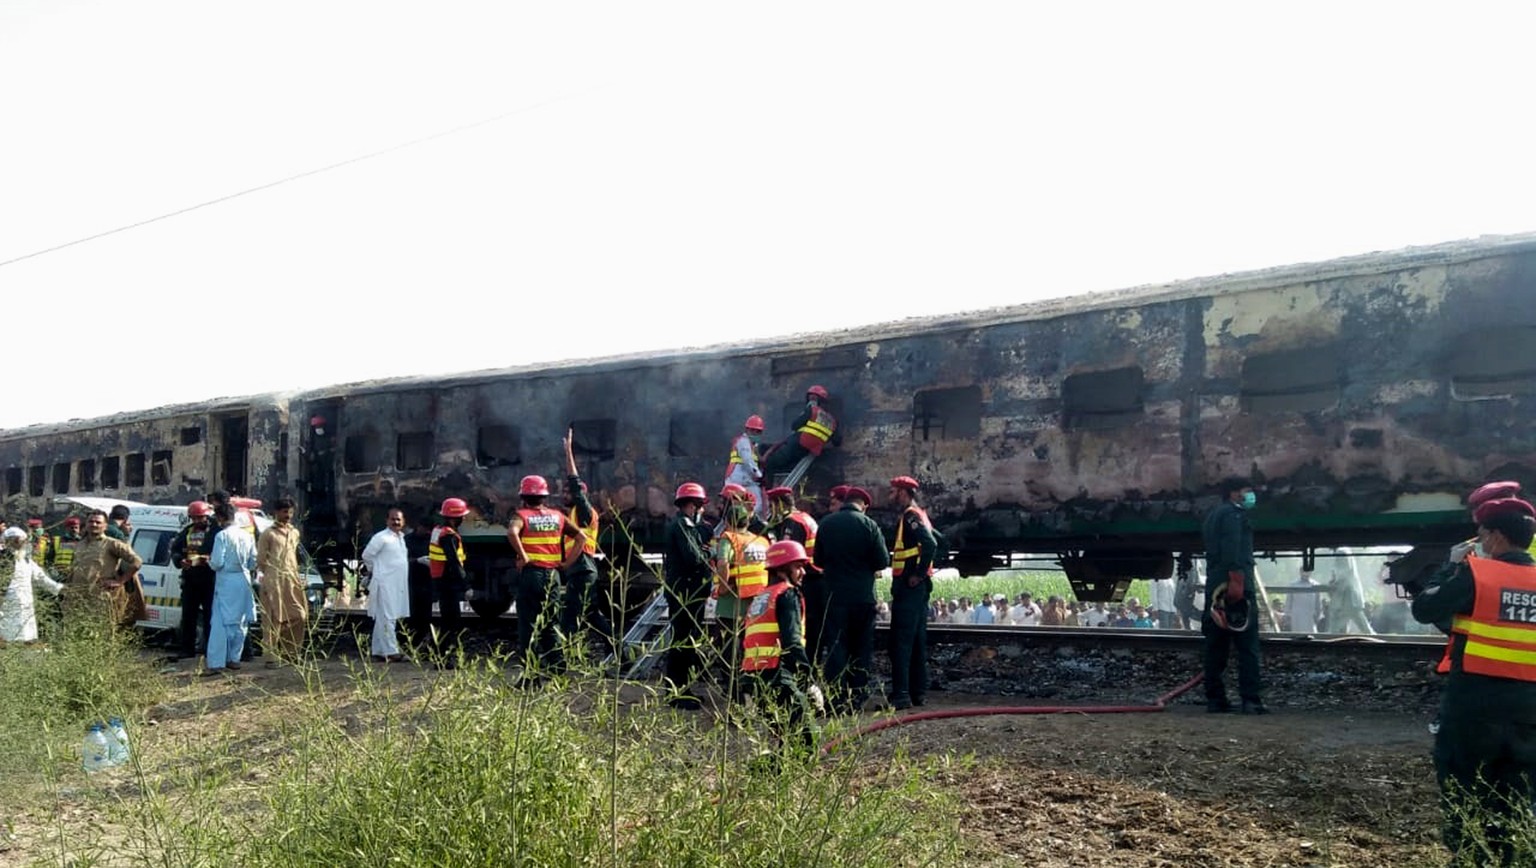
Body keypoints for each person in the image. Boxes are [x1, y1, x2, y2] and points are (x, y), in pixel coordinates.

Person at [1410, 496, 1536, 864]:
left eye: (1481, 533)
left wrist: (1448, 567)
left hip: (1473, 710)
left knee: (1463, 791)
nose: (1479, 540)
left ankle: (1469, 859)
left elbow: (1425, 608)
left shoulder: (1479, 574)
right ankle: (1510, 858)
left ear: (1495, 536)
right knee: (1517, 796)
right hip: (1530, 714)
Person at [812, 486, 889, 713]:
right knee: (861, 648)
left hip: (834, 597)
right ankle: (857, 698)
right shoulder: (869, 525)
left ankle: (835, 700)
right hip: (863, 598)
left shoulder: (826, 524)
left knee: (836, 647)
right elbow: (882, 561)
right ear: (863, 505)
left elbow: (818, 559)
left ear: (845, 501)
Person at [742, 540, 819, 755]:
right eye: (798, 567)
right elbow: (792, 641)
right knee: (806, 740)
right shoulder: (787, 595)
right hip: (777, 675)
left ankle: (768, 781)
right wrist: (809, 680)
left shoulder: (761, 598)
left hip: (754, 676)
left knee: (781, 737)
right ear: (783, 569)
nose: (802, 572)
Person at [507, 475, 584, 679]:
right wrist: (566, 564)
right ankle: (558, 671)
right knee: (551, 624)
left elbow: (512, 533)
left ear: (523, 496)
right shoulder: (558, 516)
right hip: (552, 576)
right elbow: (581, 538)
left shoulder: (521, 516)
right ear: (545, 496)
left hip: (531, 575)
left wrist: (523, 556)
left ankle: (530, 677)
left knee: (528, 626)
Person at [1201, 477, 1266, 714]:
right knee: (1247, 645)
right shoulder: (1234, 515)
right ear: (1234, 494)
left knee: (1215, 644)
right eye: (1247, 491)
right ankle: (1251, 701)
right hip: (1235, 587)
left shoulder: (1212, 516)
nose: (1251, 496)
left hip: (1215, 586)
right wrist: (1237, 582)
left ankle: (1215, 700)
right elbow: (1233, 549)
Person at [560, 429, 614, 657]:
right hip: (584, 568)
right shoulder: (576, 512)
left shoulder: (582, 510)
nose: (564, 494)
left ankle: (561, 659)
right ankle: (617, 648)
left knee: (570, 615)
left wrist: (568, 452)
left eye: (567, 492)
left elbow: (575, 483)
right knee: (591, 614)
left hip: (581, 567)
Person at [887, 475, 937, 710]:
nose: (890, 496)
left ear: (903, 493)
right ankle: (917, 693)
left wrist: (918, 573)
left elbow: (931, 545)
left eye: (893, 491)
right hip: (916, 589)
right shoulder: (920, 515)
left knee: (901, 641)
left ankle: (901, 695)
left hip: (909, 587)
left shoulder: (910, 516)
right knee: (917, 641)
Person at [662, 481, 714, 709]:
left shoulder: (690, 527)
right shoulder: (682, 526)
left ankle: (683, 688)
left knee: (686, 641)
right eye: (700, 506)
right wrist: (711, 551)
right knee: (681, 642)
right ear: (692, 506)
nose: (702, 510)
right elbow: (694, 557)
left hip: (690, 592)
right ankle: (677, 693)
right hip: (684, 593)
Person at [712, 497, 771, 692]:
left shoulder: (729, 538)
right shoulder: (761, 541)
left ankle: (733, 691)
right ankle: (750, 688)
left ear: (729, 522)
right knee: (750, 647)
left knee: (729, 650)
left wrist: (722, 587)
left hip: (731, 604)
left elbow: (722, 563)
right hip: (757, 605)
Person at [765, 486, 823, 660]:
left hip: (805, 579)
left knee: (801, 628)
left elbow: (787, 556)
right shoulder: (805, 518)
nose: (770, 511)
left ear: (779, 505)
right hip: (816, 578)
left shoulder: (792, 522)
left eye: (771, 506)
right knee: (814, 631)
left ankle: (802, 671)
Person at [66, 510, 143, 629]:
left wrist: (120, 581)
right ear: (86, 524)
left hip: (100, 600)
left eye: (98, 522)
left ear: (105, 526)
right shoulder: (80, 544)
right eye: (91, 521)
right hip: (77, 599)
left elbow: (137, 561)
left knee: (102, 635)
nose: (94, 524)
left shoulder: (112, 544)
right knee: (75, 634)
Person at [205, 503, 257, 676]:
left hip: (226, 580)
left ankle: (216, 662)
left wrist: (208, 561)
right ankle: (234, 659)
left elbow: (217, 562)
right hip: (243, 579)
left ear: (219, 518)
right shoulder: (247, 535)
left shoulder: (222, 536)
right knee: (240, 621)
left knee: (220, 622)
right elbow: (253, 562)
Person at [256, 497, 307, 667]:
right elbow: (261, 561)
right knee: (273, 618)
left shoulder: (294, 532)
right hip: (273, 580)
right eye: (284, 512)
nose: (288, 515)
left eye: (290, 512)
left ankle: (291, 654)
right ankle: (270, 657)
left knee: (299, 615)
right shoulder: (268, 534)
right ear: (276, 512)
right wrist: (271, 577)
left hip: (292, 579)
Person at [168, 500, 217, 660]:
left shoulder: (215, 531)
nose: (197, 521)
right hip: (190, 580)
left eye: (200, 518)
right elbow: (175, 551)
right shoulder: (187, 532)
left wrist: (206, 559)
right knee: (188, 616)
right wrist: (180, 560)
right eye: (194, 518)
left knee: (210, 616)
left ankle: (211, 650)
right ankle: (187, 649)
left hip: (209, 580)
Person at [361, 508, 409, 662]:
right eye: (393, 519)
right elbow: (367, 555)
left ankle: (378, 651)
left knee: (384, 616)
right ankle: (391, 651)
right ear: (387, 520)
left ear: (403, 522)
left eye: (398, 519)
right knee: (388, 617)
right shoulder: (381, 537)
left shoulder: (401, 537)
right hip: (384, 583)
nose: (396, 522)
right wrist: (375, 570)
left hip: (396, 583)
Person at [1, 526, 64, 643]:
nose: (24, 543)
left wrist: (59, 588)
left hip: (26, 604)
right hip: (6, 605)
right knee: (6, 637)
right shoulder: (3, 559)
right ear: (11, 541)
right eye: (20, 540)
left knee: (26, 636)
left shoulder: (26, 560)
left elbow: (41, 578)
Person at [762, 385, 839, 479]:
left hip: (796, 444)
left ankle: (764, 488)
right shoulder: (832, 421)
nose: (811, 400)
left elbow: (795, 425)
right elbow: (837, 441)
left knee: (771, 463)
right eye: (810, 398)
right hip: (809, 451)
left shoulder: (812, 410)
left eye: (813, 398)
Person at [426, 498, 471, 660]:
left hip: (440, 578)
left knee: (447, 620)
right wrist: (466, 586)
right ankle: (446, 657)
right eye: (461, 516)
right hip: (448, 580)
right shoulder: (448, 535)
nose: (463, 518)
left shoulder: (438, 530)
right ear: (453, 517)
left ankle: (441, 655)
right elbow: (454, 562)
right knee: (451, 621)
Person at [722, 415, 766, 516]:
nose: (755, 433)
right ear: (747, 430)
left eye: (758, 431)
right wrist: (759, 476)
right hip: (738, 479)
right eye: (753, 430)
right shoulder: (743, 441)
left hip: (744, 480)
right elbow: (748, 461)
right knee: (753, 504)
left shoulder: (752, 445)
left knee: (754, 505)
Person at [404, 514, 437, 647]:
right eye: (425, 528)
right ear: (419, 527)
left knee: (425, 613)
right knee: (411, 613)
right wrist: (417, 561)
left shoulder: (431, 540)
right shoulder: (407, 540)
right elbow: (400, 560)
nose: (427, 532)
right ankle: (411, 640)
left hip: (427, 581)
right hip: (411, 579)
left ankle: (422, 639)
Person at [1286, 569, 1321, 635]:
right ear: (1300, 572)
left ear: (1310, 572)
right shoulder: (1293, 585)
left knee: (1311, 637)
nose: (1306, 574)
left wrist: (1318, 616)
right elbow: (1288, 601)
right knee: (1297, 637)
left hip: (1310, 617)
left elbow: (1318, 603)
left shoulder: (1316, 585)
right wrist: (1287, 615)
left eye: (1307, 571)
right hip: (1296, 617)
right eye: (1304, 571)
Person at [46, 515, 82, 580]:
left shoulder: (83, 542)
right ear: (67, 528)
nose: (74, 530)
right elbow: (49, 559)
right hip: (59, 575)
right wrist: (52, 572)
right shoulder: (57, 541)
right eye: (72, 527)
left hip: (75, 575)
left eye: (76, 527)